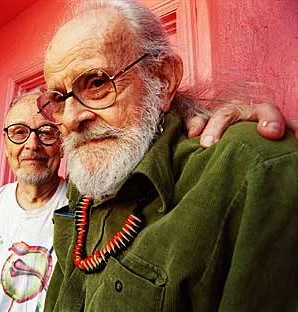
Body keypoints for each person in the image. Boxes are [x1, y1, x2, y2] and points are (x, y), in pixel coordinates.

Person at [32, 1, 297, 311]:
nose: (70, 119)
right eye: (58, 98)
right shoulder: (88, 181)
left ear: (164, 79)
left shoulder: (250, 168)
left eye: (97, 83)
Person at [0, 91, 68, 312]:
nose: (32, 144)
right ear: (6, 144)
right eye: (19, 132)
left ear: (63, 143)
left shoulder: (84, 207)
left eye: (47, 132)